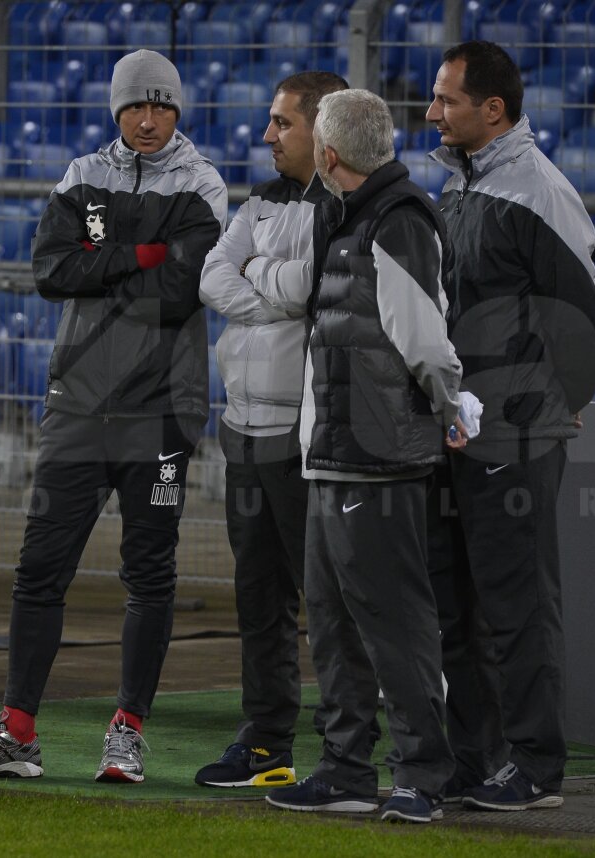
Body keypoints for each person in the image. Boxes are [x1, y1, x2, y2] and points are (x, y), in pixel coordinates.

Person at [0, 49, 228, 784]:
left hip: (162, 406)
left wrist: (105, 257)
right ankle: (17, 731)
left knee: (150, 573)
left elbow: (178, 292)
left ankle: (126, 729)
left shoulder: (203, 184)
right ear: (117, 109)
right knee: (39, 568)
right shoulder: (79, 175)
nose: (149, 118)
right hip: (77, 404)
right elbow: (50, 272)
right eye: (137, 105)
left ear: (179, 111)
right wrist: (143, 251)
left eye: (162, 105)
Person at [264, 88, 466, 824]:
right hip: (335, 453)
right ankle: (346, 771)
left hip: (377, 457)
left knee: (394, 620)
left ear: (329, 153)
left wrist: (450, 409)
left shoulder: (398, 219)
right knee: (334, 619)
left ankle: (421, 775)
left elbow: (427, 343)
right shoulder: (348, 214)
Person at [424, 41, 595, 810]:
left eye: (446, 100)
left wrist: (544, 411)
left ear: (491, 109)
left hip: (513, 435)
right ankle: (476, 760)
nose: (432, 112)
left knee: (518, 606)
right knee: (456, 608)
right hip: (456, 429)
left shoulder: (540, 192)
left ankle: (535, 767)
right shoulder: (459, 190)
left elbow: (583, 321)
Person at [194, 71, 348, 790]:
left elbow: (313, 287)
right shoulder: (258, 201)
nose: (266, 135)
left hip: (303, 434)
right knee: (259, 596)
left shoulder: (348, 206)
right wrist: (268, 293)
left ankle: (351, 748)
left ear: (323, 130)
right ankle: (266, 743)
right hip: (242, 427)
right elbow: (211, 278)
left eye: (281, 123)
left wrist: (257, 281)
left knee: (329, 598)